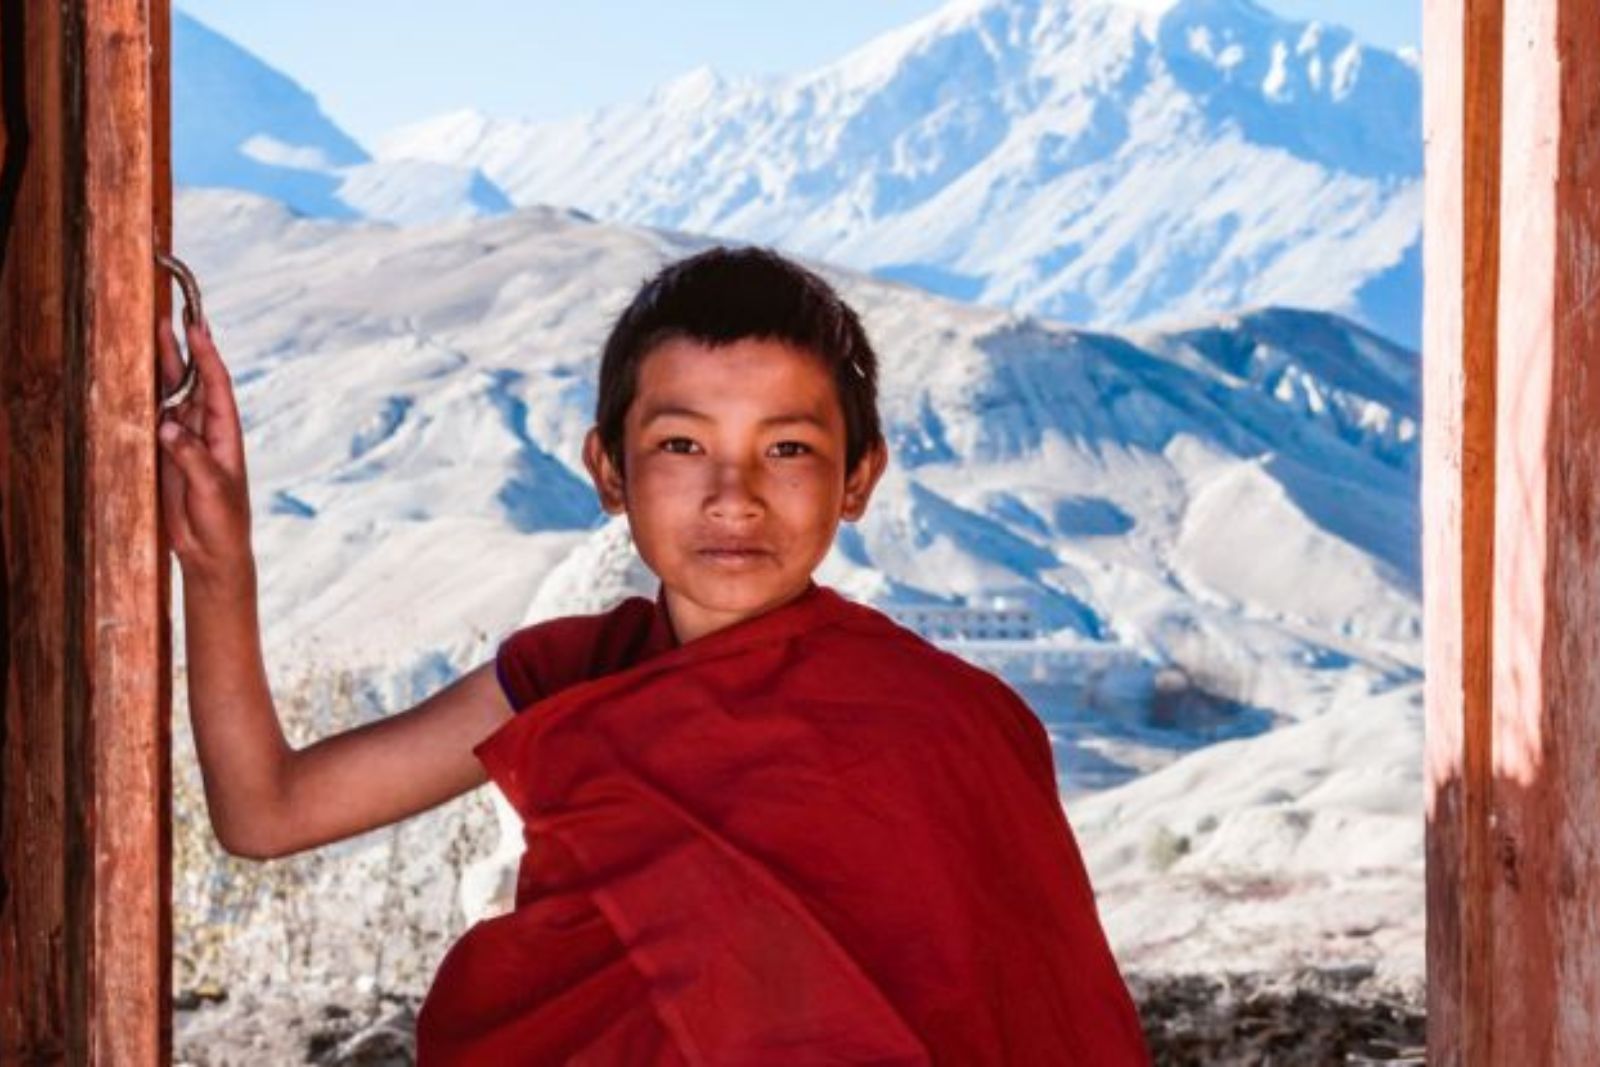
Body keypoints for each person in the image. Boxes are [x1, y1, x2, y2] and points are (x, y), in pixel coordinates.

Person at [158, 245, 1151, 1065]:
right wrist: (219, 566)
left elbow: (1037, 1019)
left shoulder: (942, 727)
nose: (734, 492)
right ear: (607, 469)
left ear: (859, 476)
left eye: (789, 448)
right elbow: (268, 809)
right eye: (681, 444)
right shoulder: (564, 677)